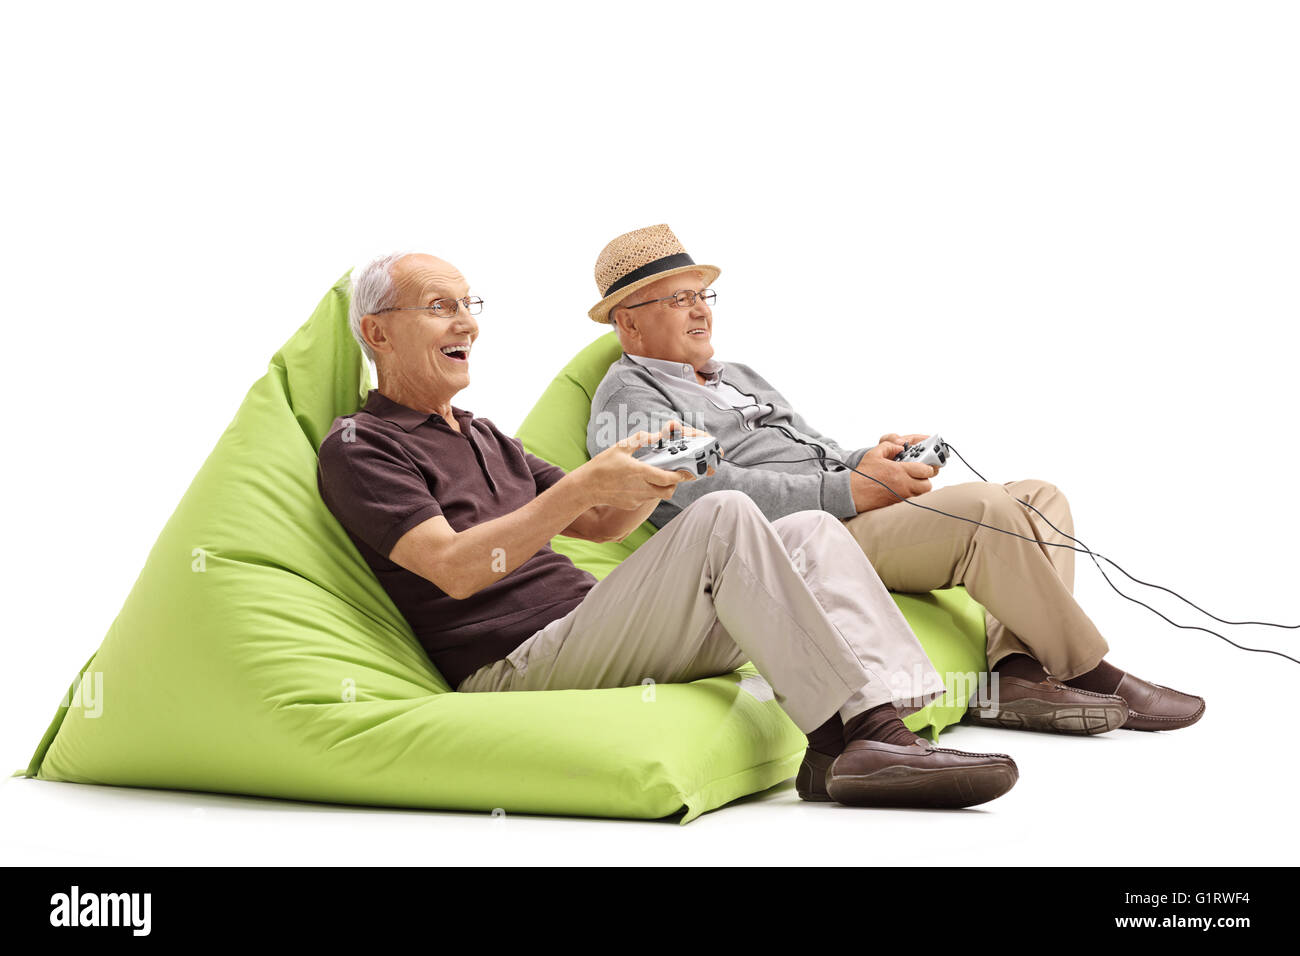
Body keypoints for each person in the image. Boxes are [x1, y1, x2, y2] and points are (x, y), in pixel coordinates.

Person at [314, 251, 1021, 810]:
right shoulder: (362, 446)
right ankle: (859, 743)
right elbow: (456, 569)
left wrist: (647, 481)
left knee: (805, 528)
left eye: (470, 307)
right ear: (377, 331)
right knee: (727, 516)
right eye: (441, 308)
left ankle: (881, 731)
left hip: (591, 624)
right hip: (511, 663)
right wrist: (589, 485)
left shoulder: (482, 433)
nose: (467, 323)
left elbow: (595, 523)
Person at [586, 224, 1205, 753]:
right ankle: (1089, 668)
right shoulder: (634, 397)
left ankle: (1015, 674)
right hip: (797, 540)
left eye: (703, 294)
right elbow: (704, 489)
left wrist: (869, 459)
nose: (702, 310)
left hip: (845, 506)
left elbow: (812, 445)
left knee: (1041, 496)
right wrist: (851, 491)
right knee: (989, 508)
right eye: (679, 300)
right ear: (629, 325)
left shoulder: (735, 374)